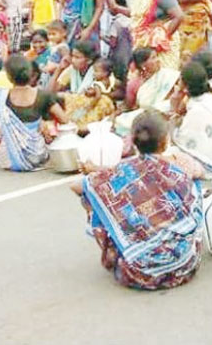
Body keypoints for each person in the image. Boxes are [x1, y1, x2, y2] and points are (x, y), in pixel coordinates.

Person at [73, 109, 204, 291]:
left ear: (133, 141)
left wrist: (99, 173)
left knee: (95, 194)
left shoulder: (121, 171)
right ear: (165, 141)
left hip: (137, 273)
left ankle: (117, 250)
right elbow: (200, 172)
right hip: (183, 266)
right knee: (194, 184)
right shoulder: (177, 166)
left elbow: (76, 186)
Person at [0, 54, 67, 171]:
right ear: (30, 73)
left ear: (9, 77)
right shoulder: (43, 96)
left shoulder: (1, 95)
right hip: (37, 156)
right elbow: (64, 120)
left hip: (8, 160)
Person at [125, 0, 183, 70]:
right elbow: (138, 15)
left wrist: (161, 39)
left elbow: (179, 16)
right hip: (144, 46)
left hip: (159, 48)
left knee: (162, 80)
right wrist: (116, 8)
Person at [114, 47, 181, 136]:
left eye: (156, 56)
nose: (158, 60)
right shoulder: (134, 84)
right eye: (153, 58)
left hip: (167, 118)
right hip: (145, 119)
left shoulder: (170, 76)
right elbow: (129, 106)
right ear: (143, 65)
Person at [52, 40, 116, 133]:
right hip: (79, 107)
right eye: (72, 56)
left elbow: (116, 90)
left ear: (89, 60)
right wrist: (59, 69)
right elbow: (51, 92)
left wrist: (96, 93)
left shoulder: (99, 70)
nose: (73, 60)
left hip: (95, 106)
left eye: (77, 57)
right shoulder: (72, 70)